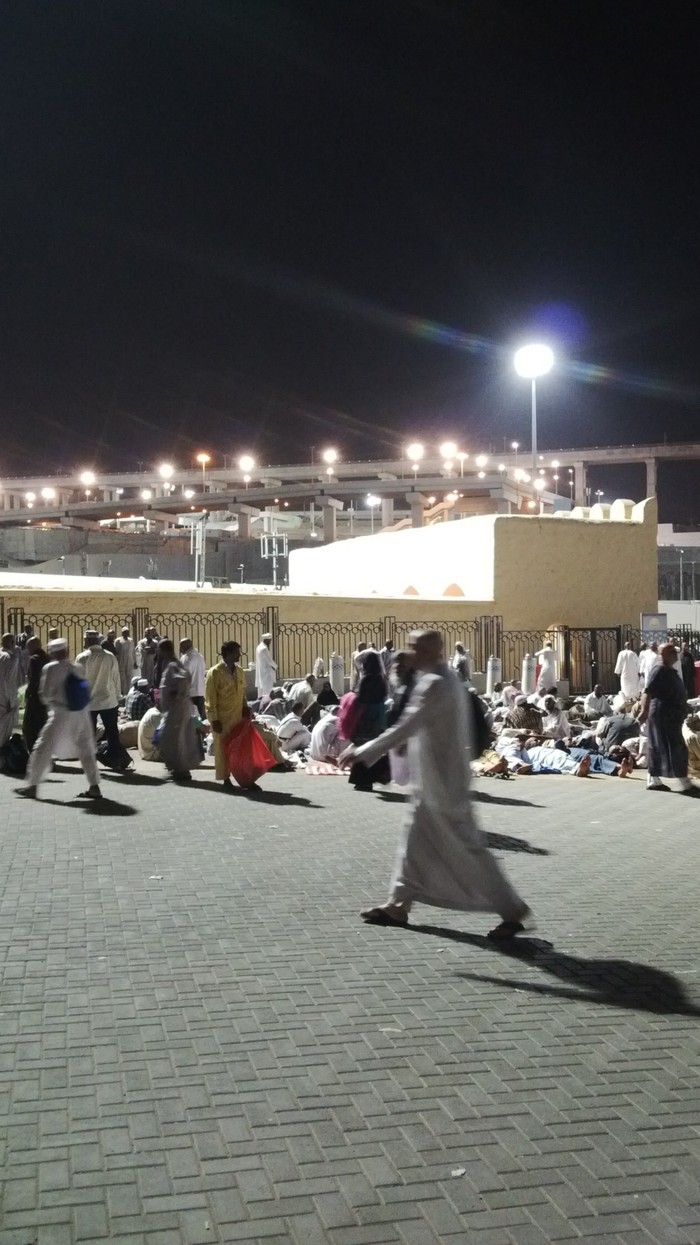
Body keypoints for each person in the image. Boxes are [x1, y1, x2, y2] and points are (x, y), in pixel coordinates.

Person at [339, 630, 533, 939]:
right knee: (414, 842)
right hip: (434, 781)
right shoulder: (445, 679)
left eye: (417, 648)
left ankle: (512, 909)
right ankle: (398, 905)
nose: (412, 653)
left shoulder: (436, 684)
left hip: (443, 785)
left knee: (469, 850)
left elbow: (406, 725)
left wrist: (362, 752)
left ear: (433, 650)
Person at [20, 637, 101, 801]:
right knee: (86, 749)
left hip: (60, 714)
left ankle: (32, 785)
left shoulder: (50, 668)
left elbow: (45, 696)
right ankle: (94, 786)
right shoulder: (77, 667)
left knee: (43, 748)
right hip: (81, 714)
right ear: (67, 651)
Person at [639, 643, 698, 794]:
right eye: (671, 652)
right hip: (662, 715)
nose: (675, 654)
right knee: (675, 747)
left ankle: (654, 780)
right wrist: (643, 712)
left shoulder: (670, 671)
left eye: (675, 651)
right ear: (662, 655)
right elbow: (647, 692)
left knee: (663, 746)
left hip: (671, 715)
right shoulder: (658, 670)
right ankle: (684, 782)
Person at [339, 650, 390, 792]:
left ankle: (363, 781)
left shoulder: (366, 679)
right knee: (370, 749)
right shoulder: (381, 679)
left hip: (365, 717)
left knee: (361, 749)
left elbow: (360, 699)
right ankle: (367, 779)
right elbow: (384, 697)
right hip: (378, 717)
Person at [204, 640, 249, 791]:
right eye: (236, 652)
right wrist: (213, 719)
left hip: (237, 717)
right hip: (222, 719)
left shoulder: (240, 671)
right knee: (222, 749)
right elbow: (210, 699)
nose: (239, 655)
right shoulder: (214, 673)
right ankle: (225, 779)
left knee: (240, 749)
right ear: (228, 653)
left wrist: (245, 707)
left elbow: (242, 693)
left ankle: (244, 778)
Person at [76, 629, 123, 762]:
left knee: (89, 734)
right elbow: (116, 677)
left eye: (85, 639)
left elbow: (78, 680)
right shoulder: (109, 656)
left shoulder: (82, 657)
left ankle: (90, 761)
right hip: (108, 701)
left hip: (89, 703)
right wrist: (118, 696)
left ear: (89, 641)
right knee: (112, 732)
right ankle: (115, 760)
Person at [158, 640, 200, 782]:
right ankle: (180, 769)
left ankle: (180, 770)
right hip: (179, 708)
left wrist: (176, 696)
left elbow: (181, 681)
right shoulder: (176, 664)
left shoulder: (173, 666)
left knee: (173, 739)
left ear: (164, 650)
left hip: (177, 708)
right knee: (179, 739)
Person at [22, 636, 49, 753]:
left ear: (33, 646)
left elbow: (33, 680)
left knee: (29, 727)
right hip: (46, 698)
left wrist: (27, 694)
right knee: (42, 725)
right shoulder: (48, 658)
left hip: (35, 698)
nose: (27, 650)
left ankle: (33, 751)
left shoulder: (34, 659)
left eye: (28, 647)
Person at [0, 632, 23, 748]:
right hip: (5, 699)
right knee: (4, 730)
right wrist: (10, 700)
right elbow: (9, 682)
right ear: (12, 643)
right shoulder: (11, 658)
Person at [180, 637, 206, 717]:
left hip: (190, 693)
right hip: (201, 692)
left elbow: (184, 676)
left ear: (184, 647)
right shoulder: (200, 656)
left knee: (191, 719)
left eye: (181, 646)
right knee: (201, 718)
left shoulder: (186, 658)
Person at [255, 633, 278, 698]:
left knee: (261, 689)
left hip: (261, 671)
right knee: (267, 689)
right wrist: (275, 667)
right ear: (266, 640)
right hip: (266, 672)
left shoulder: (259, 646)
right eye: (269, 640)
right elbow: (269, 661)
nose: (270, 642)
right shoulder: (264, 648)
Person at [114, 626, 136, 695]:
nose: (126, 633)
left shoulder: (131, 640)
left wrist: (135, 662)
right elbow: (116, 652)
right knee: (122, 678)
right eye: (124, 632)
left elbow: (133, 652)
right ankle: (123, 693)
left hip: (130, 661)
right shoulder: (118, 641)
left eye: (127, 632)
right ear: (122, 633)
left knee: (129, 677)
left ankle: (129, 692)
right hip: (121, 662)